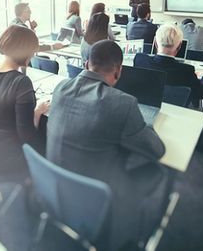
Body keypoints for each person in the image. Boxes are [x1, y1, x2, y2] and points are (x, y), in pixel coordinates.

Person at [47, 40, 167, 251]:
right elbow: (156, 150)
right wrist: (142, 124)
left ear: (86, 64)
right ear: (119, 70)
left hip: (54, 185)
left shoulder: (60, 87)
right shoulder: (124, 103)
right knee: (155, 171)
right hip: (97, 195)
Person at [0, 25, 49, 175]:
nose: (32, 55)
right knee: (47, 138)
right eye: (32, 51)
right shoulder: (21, 82)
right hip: (8, 154)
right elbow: (27, 135)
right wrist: (37, 111)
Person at [150, 24, 203, 104]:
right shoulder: (186, 70)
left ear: (156, 44)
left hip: (149, 106)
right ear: (180, 46)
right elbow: (202, 93)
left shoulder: (140, 60)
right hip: (176, 109)